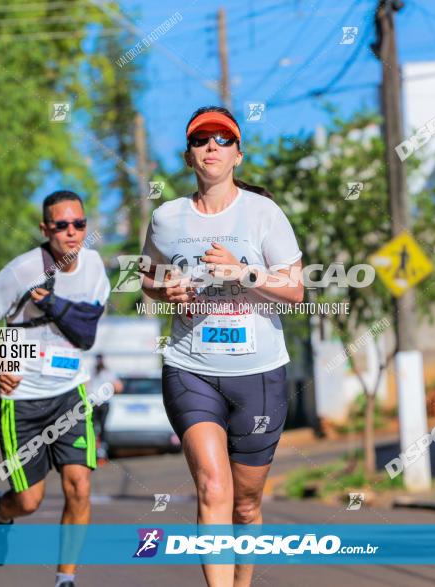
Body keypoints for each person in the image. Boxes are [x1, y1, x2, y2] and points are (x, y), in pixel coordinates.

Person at [139, 105, 303, 587]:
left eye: (222, 139)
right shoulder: (166, 219)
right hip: (190, 368)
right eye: (200, 140)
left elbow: (295, 289)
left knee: (245, 505)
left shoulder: (263, 213)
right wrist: (162, 290)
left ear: (238, 156)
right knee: (212, 486)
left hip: (259, 374)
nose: (211, 146)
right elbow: (148, 278)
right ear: (188, 156)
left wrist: (243, 272)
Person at [0, 190, 110, 587]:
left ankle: (65, 578)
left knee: (79, 487)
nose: (72, 232)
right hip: (23, 399)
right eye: (62, 225)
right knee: (28, 502)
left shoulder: (95, 266)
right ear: (45, 228)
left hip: (71, 393)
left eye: (79, 224)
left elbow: (87, 330)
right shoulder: (21, 270)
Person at [89, 355, 122, 460]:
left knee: (103, 427)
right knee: (93, 428)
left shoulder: (108, 373)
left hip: (104, 403)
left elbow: (118, 386)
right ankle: (94, 450)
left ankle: (102, 451)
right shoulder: (92, 372)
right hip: (93, 403)